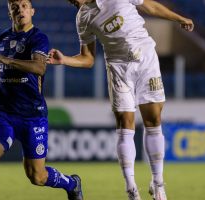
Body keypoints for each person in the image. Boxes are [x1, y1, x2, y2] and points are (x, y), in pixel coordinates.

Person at [47, 0, 194, 200]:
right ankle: (131, 188)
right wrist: (65, 60)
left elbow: (148, 6)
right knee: (125, 125)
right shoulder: (82, 18)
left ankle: (158, 183)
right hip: (118, 69)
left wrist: (178, 18)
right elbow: (88, 58)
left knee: (153, 121)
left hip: (145, 60)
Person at [0, 0, 83, 200]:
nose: (20, 10)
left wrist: (8, 60)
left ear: (32, 11)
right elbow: (0, 61)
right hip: (4, 111)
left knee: (37, 176)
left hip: (32, 114)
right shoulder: (3, 37)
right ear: (10, 13)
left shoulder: (38, 38)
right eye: (15, 7)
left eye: (24, 6)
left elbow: (39, 67)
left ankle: (72, 183)